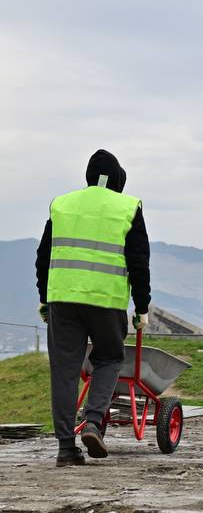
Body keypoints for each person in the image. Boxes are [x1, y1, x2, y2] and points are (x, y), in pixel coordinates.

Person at [35, 149, 150, 466]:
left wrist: (44, 297)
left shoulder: (62, 204)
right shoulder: (127, 207)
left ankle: (65, 448)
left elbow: (44, 255)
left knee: (65, 371)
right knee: (110, 357)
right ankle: (94, 423)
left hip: (63, 300)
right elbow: (139, 263)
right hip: (106, 301)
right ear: (118, 180)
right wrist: (142, 307)